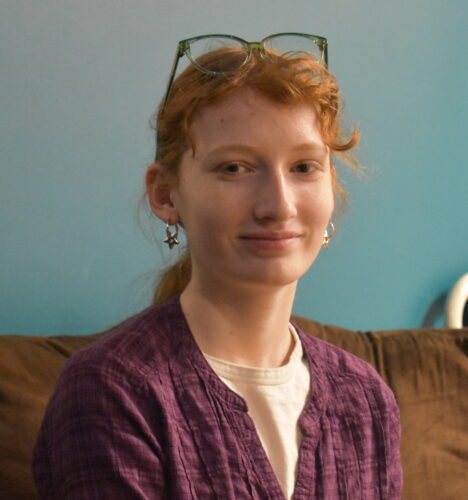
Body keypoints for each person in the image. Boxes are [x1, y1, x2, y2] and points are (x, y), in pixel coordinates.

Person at [32, 33, 403, 499]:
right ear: (165, 194)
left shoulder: (365, 398)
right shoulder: (111, 389)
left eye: (304, 167)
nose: (279, 206)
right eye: (234, 168)